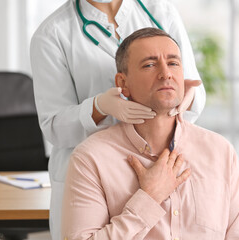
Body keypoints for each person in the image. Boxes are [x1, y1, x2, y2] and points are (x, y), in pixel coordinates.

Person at [62, 27, 239, 240]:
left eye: (174, 63)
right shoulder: (91, 158)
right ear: (123, 84)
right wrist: (148, 198)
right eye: (149, 64)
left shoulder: (220, 151)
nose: (166, 73)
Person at [30, 0, 206, 239]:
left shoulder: (160, 12)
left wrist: (188, 96)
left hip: (160, 166)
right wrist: (99, 107)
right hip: (93, 175)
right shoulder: (52, 34)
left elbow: (191, 85)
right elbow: (53, 127)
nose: (164, 71)